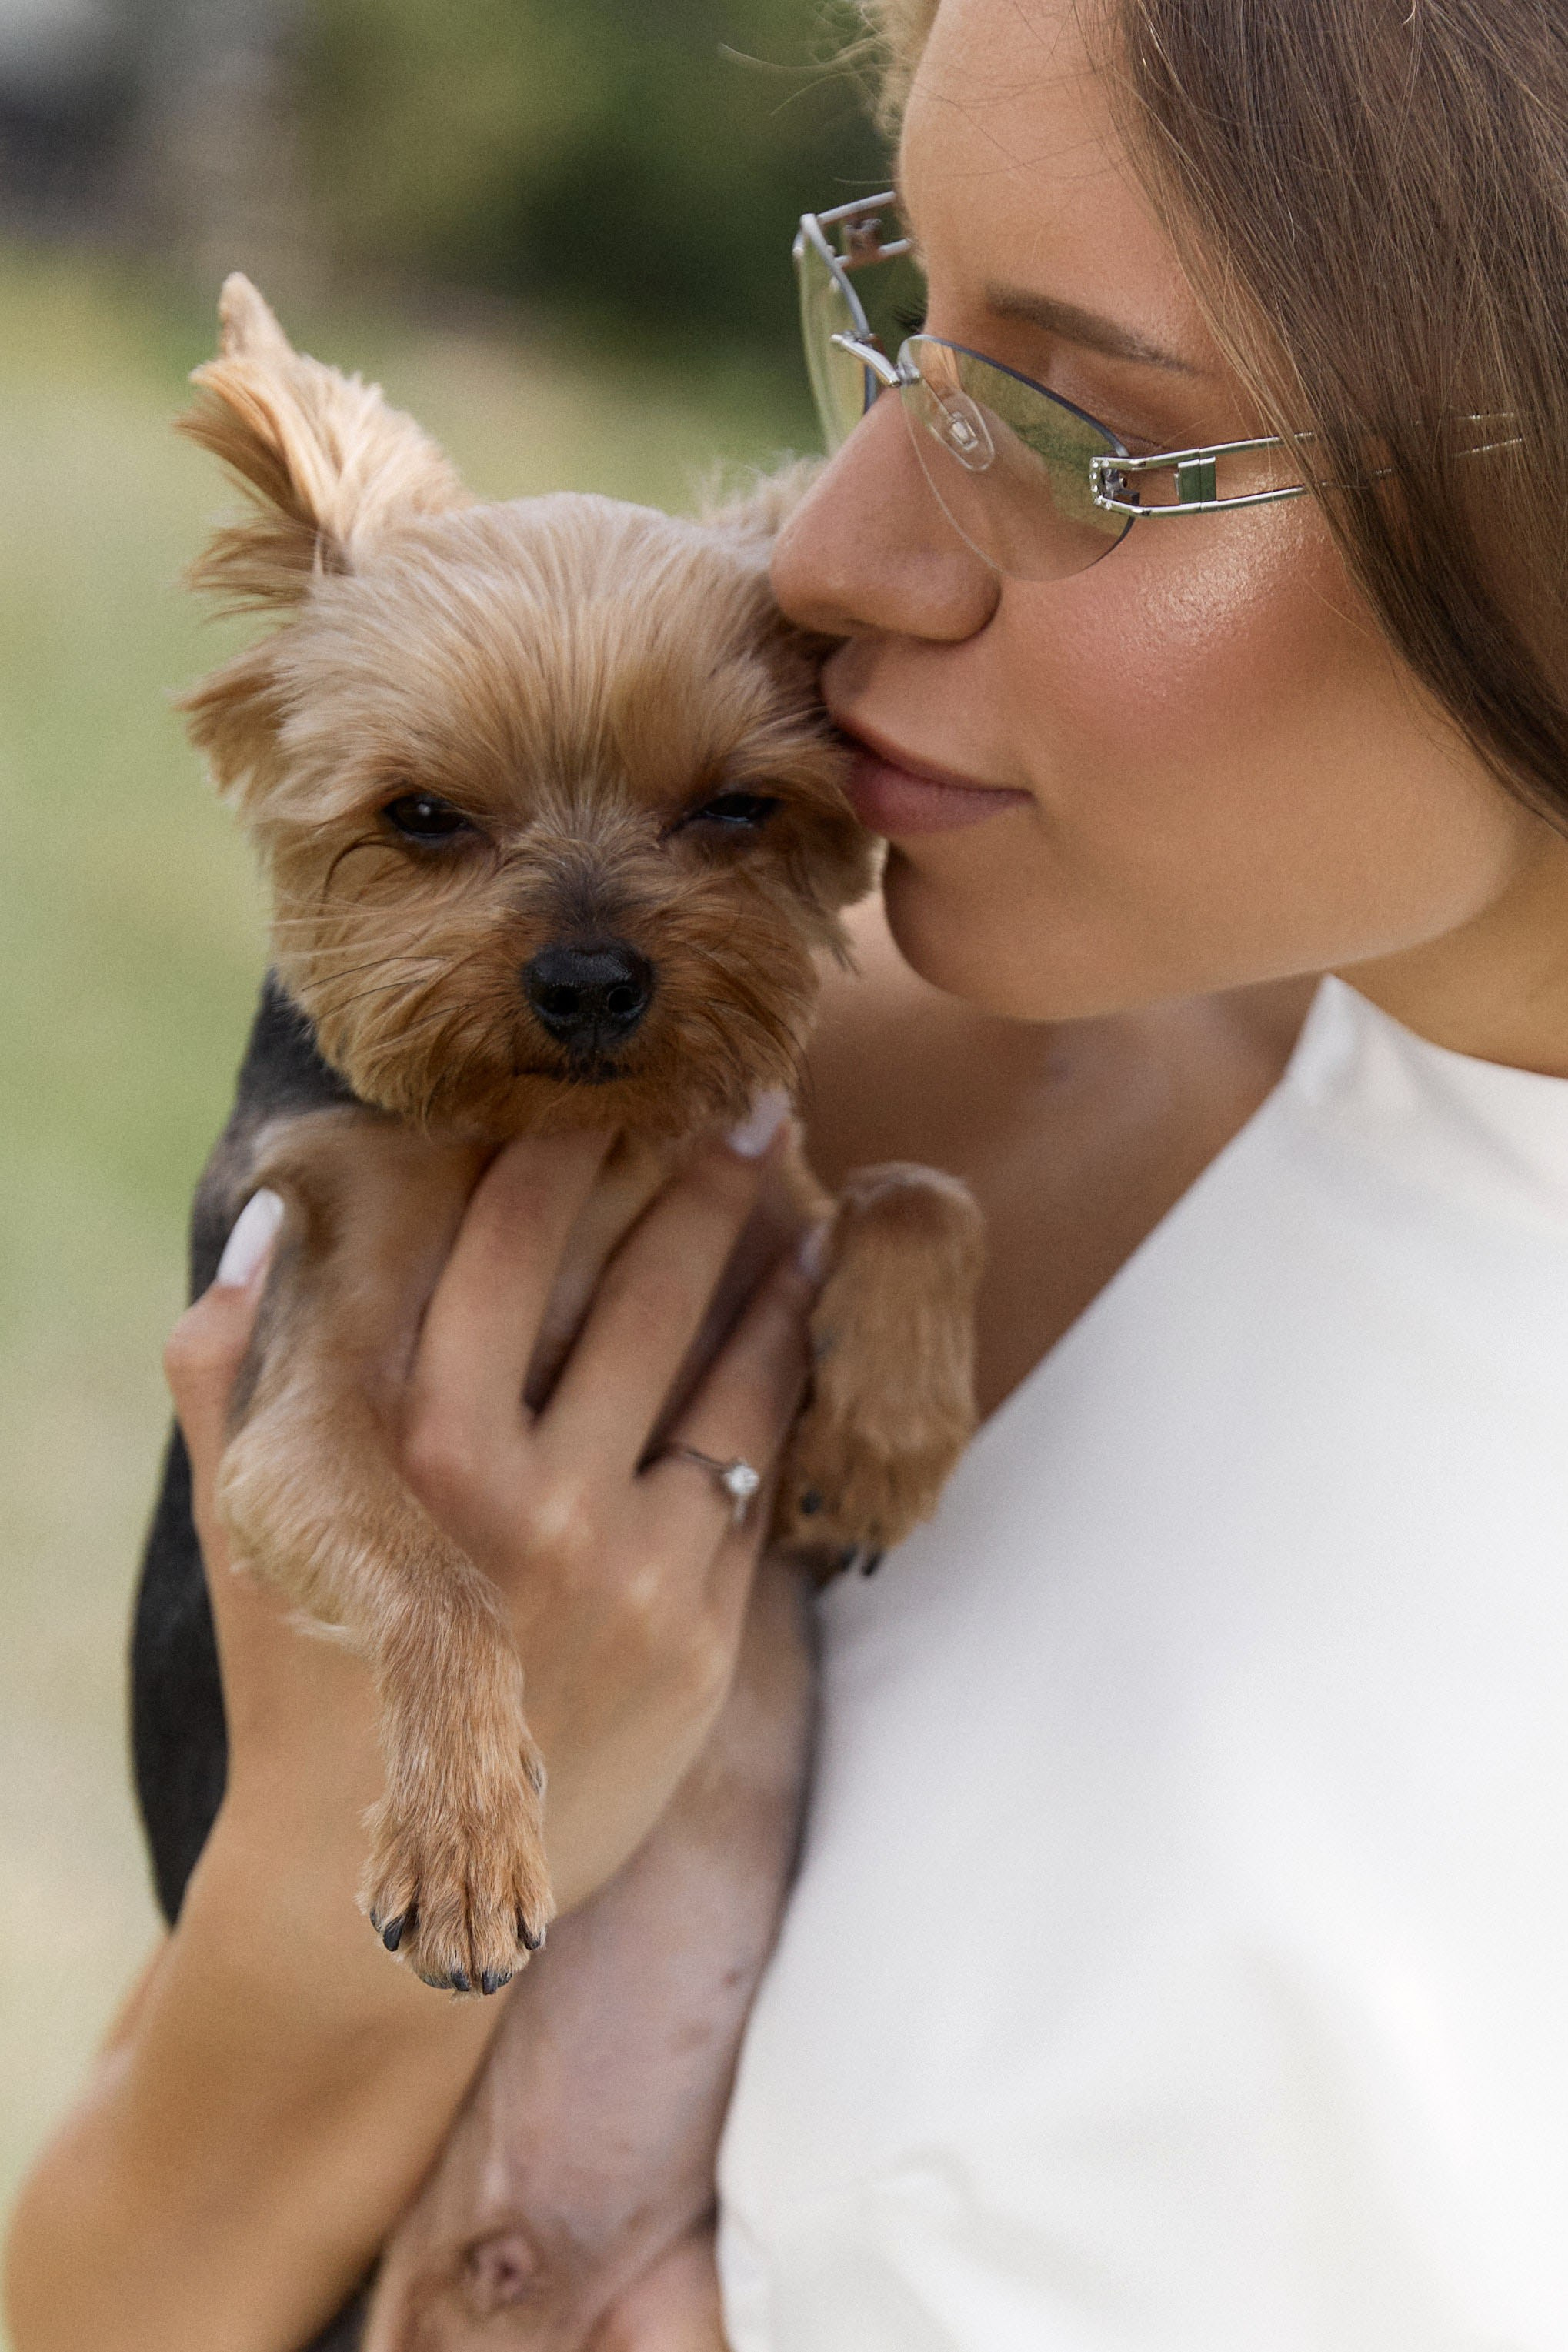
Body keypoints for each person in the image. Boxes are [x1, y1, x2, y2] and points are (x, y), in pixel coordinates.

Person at [11, 0, 1568, 2341]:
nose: (824, 552)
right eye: (898, 324)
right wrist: (311, 1932)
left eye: (1076, 430)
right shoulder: (734, 1082)